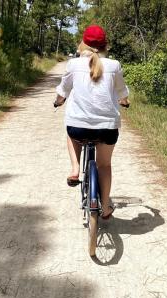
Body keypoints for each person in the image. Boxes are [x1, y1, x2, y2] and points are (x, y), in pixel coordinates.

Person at [54, 25, 130, 220]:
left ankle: (75, 169)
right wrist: (124, 100)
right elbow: (122, 91)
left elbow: (63, 90)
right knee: (104, 166)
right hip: (107, 129)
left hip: (78, 126)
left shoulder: (73, 64)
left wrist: (58, 101)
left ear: (83, 44)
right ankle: (105, 207)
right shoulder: (114, 65)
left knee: (72, 135)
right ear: (105, 45)